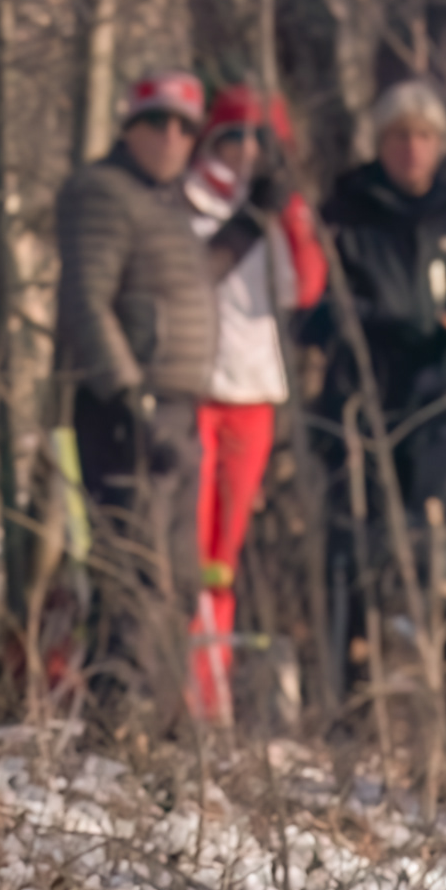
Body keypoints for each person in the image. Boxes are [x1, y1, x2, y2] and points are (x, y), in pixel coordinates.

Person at [314, 80, 446, 692]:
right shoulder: (343, 213)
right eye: (400, 135)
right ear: (380, 143)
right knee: (353, 555)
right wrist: (380, 322)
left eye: (424, 136)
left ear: (442, 145)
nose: (412, 148)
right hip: (362, 405)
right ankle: (346, 693)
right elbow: (311, 309)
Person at [53, 70, 222, 730]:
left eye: (185, 127)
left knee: (177, 574)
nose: (172, 137)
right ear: (131, 125)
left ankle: (161, 719)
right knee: (134, 568)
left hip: (176, 407)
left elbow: (186, 283)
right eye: (158, 122)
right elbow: (85, 300)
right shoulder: (103, 191)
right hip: (125, 411)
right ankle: (116, 719)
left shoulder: (165, 202)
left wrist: (248, 226)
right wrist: (128, 396)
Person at [182, 89, 329, 727]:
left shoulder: (279, 205)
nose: (245, 151)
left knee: (225, 550)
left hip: (253, 390)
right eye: (233, 137)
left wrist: (289, 215)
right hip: (195, 385)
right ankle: (189, 682)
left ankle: (212, 683)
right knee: (189, 542)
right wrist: (246, 218)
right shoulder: (191, 197)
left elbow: (306, 287)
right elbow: (192, 276)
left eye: (259, 140)